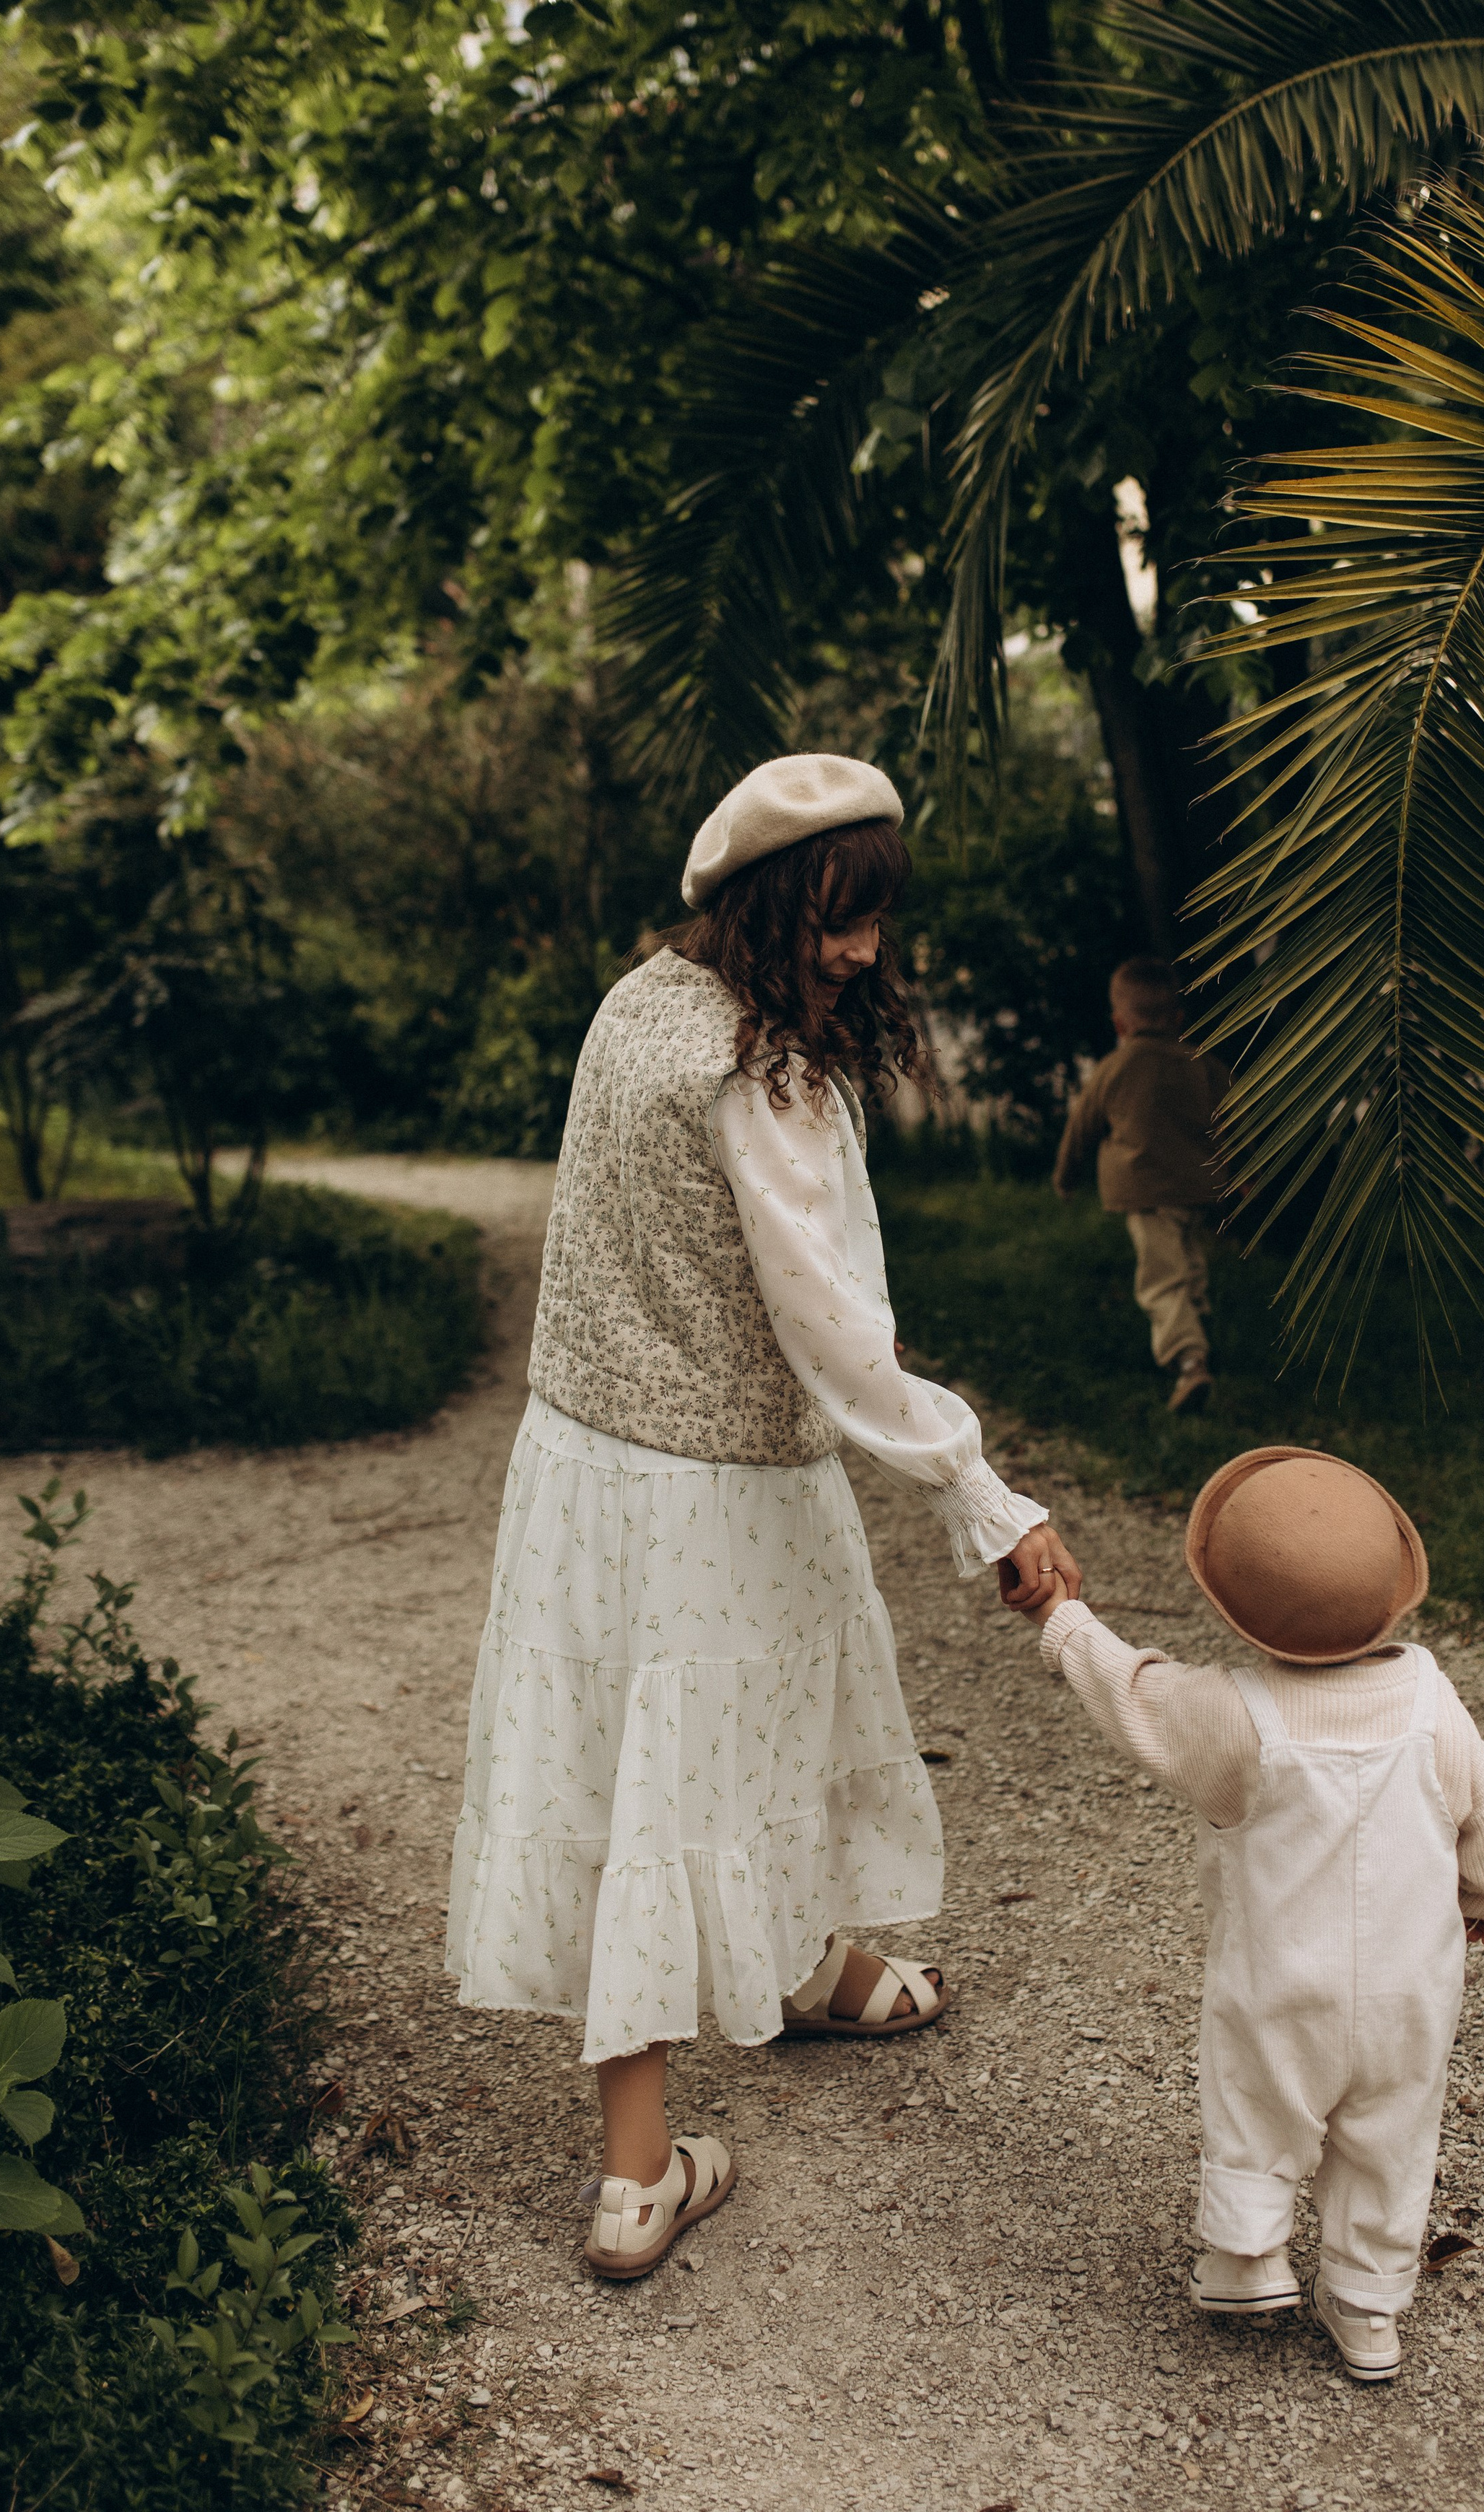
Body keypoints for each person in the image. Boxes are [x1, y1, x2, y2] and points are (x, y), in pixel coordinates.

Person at [446, 751, 1083, 2282]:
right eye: (837, 919)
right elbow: (839, 1339)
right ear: (770, 902)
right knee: (676, 1776)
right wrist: (982, 1497)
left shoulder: (634, 1004)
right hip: (715, 1495)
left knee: (686, 1743)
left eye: (875, 919)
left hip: (585, 1474)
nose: (863, 950)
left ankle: (799, 1969)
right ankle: (636, 2180)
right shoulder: (761, 1074)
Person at [1001, 1444, 1484, 2384]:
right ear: (1393, 1593)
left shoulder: (1235, 1716)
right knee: (1391, 2133)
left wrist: (1061, 1617)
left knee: (1257, 2104)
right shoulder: (1427, 1697)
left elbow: (1130, 1692)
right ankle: (1368, 2306)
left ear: (1233, 1607)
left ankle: (1245, 2255)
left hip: (1282, 1983)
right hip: (1412, 1993)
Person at [1052, 956, 1230, 1414]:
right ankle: (1202, 1334)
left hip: (1147, 1193)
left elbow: (1082, 1126)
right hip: (1198, 1189)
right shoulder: (1204, 1065)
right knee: (1188, 1264)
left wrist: (1065, 1176)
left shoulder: (1115, 1066)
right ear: (1178, 1018)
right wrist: (1243, 1174)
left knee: (1161, 1279)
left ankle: (1190, 1363)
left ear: (1119, 1022)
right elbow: (1236, 1121)